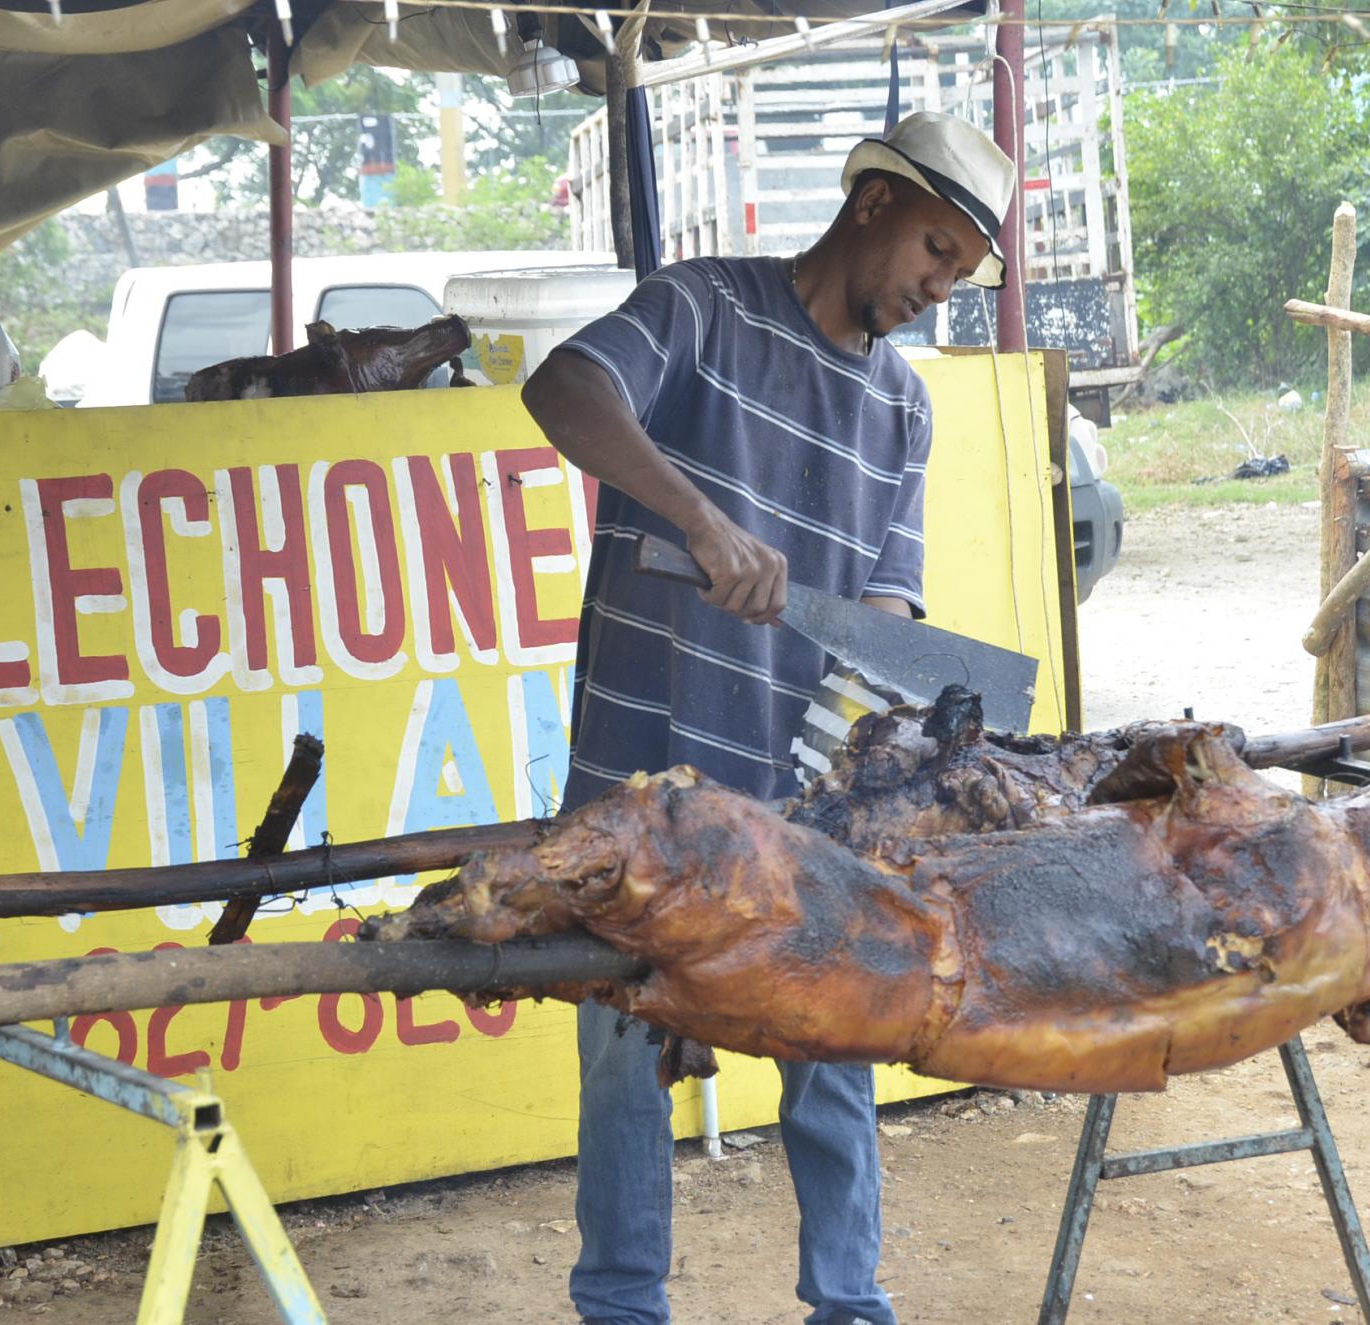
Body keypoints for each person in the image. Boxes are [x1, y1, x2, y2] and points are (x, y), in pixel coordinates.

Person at [520, 111, 1017, 1325]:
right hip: (642, 781)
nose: (936, 289)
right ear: (873, 205)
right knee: (625, 1058)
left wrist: (877, 659)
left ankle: (848, 1303)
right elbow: (562, 386)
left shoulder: (902, 406)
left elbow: (885, 598)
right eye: (935, 253)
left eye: (958, 274)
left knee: (834, 1055)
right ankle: (622, 1307)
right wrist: (698, 519)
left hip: (800, 799)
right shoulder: (698, 307)